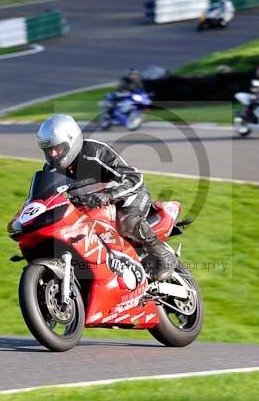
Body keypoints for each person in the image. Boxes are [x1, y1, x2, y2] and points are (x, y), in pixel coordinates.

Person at [35, 114, 177, 281]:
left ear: (71, 141)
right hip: (92, 210)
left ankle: (165, 257)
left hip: (128, 198)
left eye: (57, 148)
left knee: (127, 222)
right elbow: (45, 198)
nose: (52, 154)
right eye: (48, 150)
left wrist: (109, 195)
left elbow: (135, 178)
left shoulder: (95, 152)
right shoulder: (50, 170)